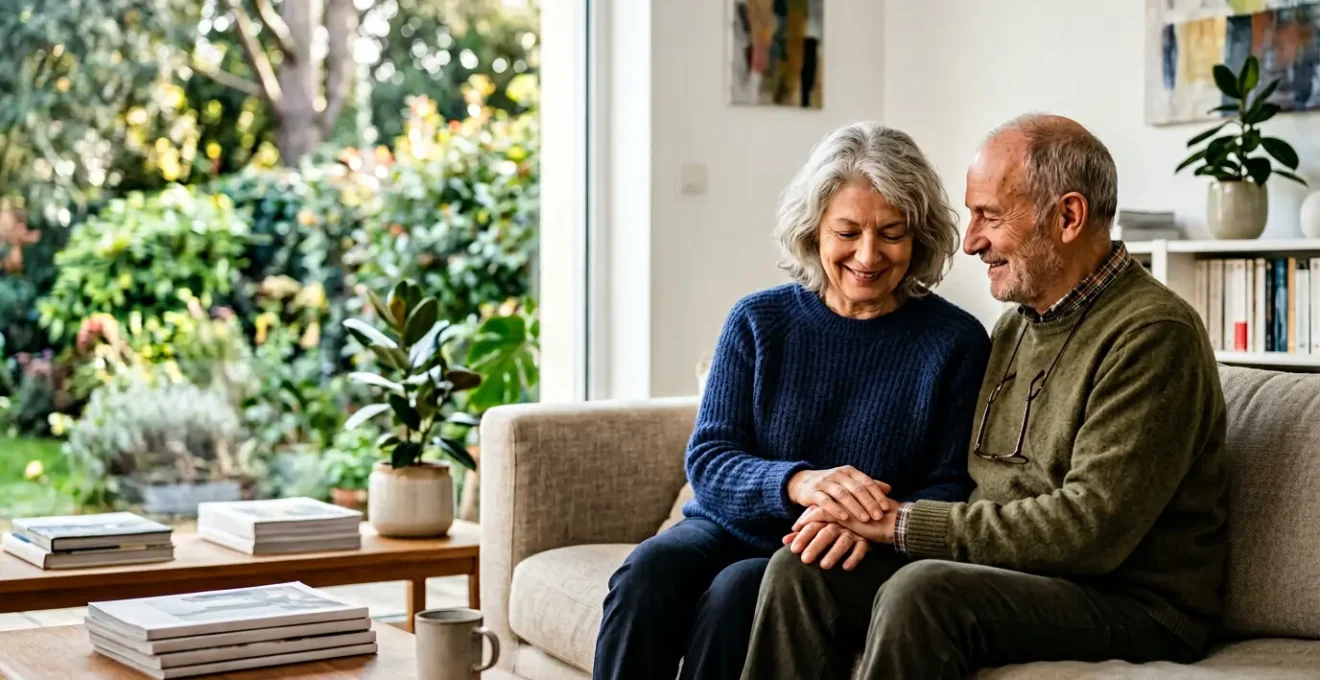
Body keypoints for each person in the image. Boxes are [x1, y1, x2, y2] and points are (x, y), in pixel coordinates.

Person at [741, 113, 1229, 679]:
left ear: (1068, 217)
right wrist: (850, 517)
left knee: (923, 592)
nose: (970, 241)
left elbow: (1089, 532)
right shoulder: (1015, 328)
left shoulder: (1151, 334)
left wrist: (900, 524)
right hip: (1017, 573)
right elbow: (975, 485)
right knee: (802, 569)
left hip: (1133, 600)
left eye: (989, 217)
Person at [591, 121, 991, 680]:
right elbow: (710, 459)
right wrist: (799, 483)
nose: (868, 255)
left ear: (919, 235)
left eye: (892, 233)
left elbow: (950, 484)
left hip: (833, 551)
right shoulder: (759, 321)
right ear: (815, 232)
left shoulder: (956, 342)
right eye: (847, 232)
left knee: (736, 594)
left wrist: (863, 523)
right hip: (727, 525)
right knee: (648, 570)